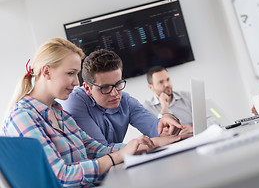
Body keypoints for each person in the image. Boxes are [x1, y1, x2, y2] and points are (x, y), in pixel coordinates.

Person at [2, 38, 163, 187]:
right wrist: (118, 156)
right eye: (70, 73)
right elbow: (62, 176)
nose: (76, 82)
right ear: (46, 72)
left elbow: (97, 150)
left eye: (76, 74)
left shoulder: (61, 114)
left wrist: (143, 144)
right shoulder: (22, 117)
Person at [61, 49, 185, 146]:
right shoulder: (74, 100)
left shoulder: (125, 101)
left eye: (118, 84)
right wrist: (141, 144)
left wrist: (167, 123)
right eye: (105, 88)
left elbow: (155, 128)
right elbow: (100, 149)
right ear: (88, 88)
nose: (114, 93)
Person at [143, 66, 193, 134]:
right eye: (161, 82)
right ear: (151, 87)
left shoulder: (187, 96)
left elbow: (210, 119)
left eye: (168, 79)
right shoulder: (147, 107)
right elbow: (153, 133)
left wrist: (192, 129)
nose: (166, 84)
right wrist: (164, 108)